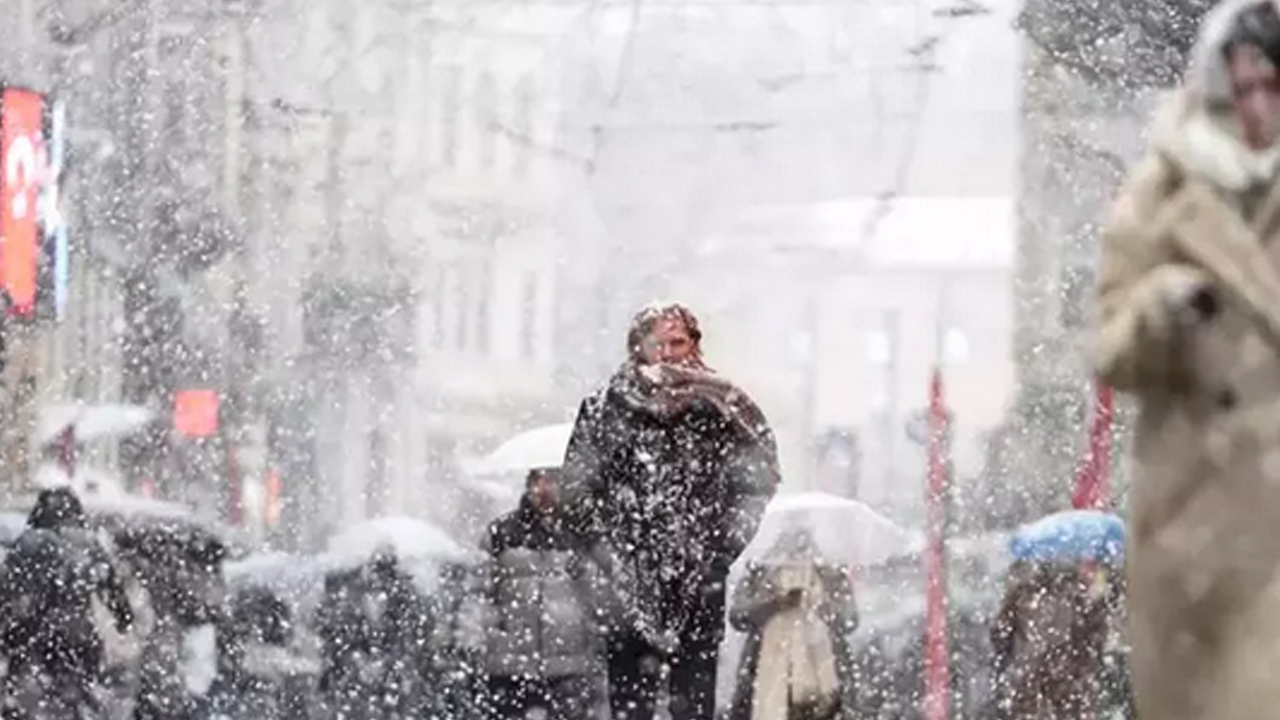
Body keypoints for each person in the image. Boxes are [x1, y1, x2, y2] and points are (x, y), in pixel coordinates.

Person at [1093, 1, 1280, 718]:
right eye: (1246, 87)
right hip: (1198, 532)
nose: (1259, 107)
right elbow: (1110, 352)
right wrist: (1159, 309)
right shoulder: (1161, 193)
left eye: (1274, 87)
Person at [561, 302, 780, 720]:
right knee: (631, 705)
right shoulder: (605, 408)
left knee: (693, 705)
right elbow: (575, 490)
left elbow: (757, 482)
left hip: (699, 580)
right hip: (626, 585)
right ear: (637, 346)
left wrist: (720, 551)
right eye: (656, 343)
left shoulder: (724, 407)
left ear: (693, 344)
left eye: (677, 342)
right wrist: (609, 553)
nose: (667, 353)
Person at [0, 487, 133, 717]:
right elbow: (112, 588)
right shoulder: (88, 544)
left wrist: (7, 628)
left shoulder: (28, 543)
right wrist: (123, 617)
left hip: (31, 640)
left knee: (25, 703)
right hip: (79, 639)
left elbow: (7, 590)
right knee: (75, 701)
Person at [483, 468, 601, 720]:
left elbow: (595, 593)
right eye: (541, 483)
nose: (546, 491)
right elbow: (481, 589)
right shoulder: (501, 531)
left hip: (568, 660)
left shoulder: (578, 533)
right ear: (529, 486)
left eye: (554, 483)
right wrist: (488, 630)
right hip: (511, 661)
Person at [726, 528, 858, 720]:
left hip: (823, 674)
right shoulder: (760, 569)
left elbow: (849, 620)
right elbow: (738, 616)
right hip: (765, 670)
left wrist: (818, 604)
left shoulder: (830, 571)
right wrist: (774, 603)